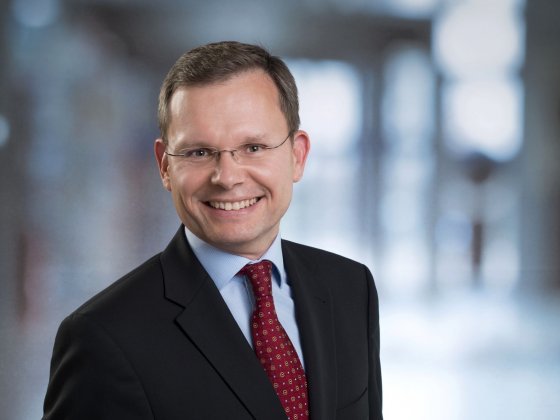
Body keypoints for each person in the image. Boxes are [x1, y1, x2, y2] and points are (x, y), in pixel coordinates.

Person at [42, 40, 383, 420]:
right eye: (199, 152)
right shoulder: (103, 337)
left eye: (253, 147)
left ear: (297, 156)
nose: (227, 177)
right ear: (165, 166)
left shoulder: (351, 288)